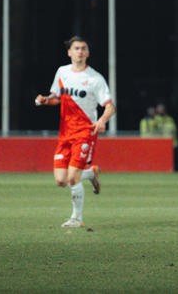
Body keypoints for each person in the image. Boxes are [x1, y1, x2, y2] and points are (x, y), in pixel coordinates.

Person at [35, 35, 116, 228]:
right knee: (60, 180)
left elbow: (110, 106)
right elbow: (57, 98)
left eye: (83, 48)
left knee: (72, 177)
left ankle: (76, 218)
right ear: (69, 52)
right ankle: (91, 173)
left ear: (87, 53)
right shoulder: (62, 72)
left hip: (85, 131)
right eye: (77, 48)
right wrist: (45, 100)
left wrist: (103, 120)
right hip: (65, 132)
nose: (80, 51)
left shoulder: (95, 79)